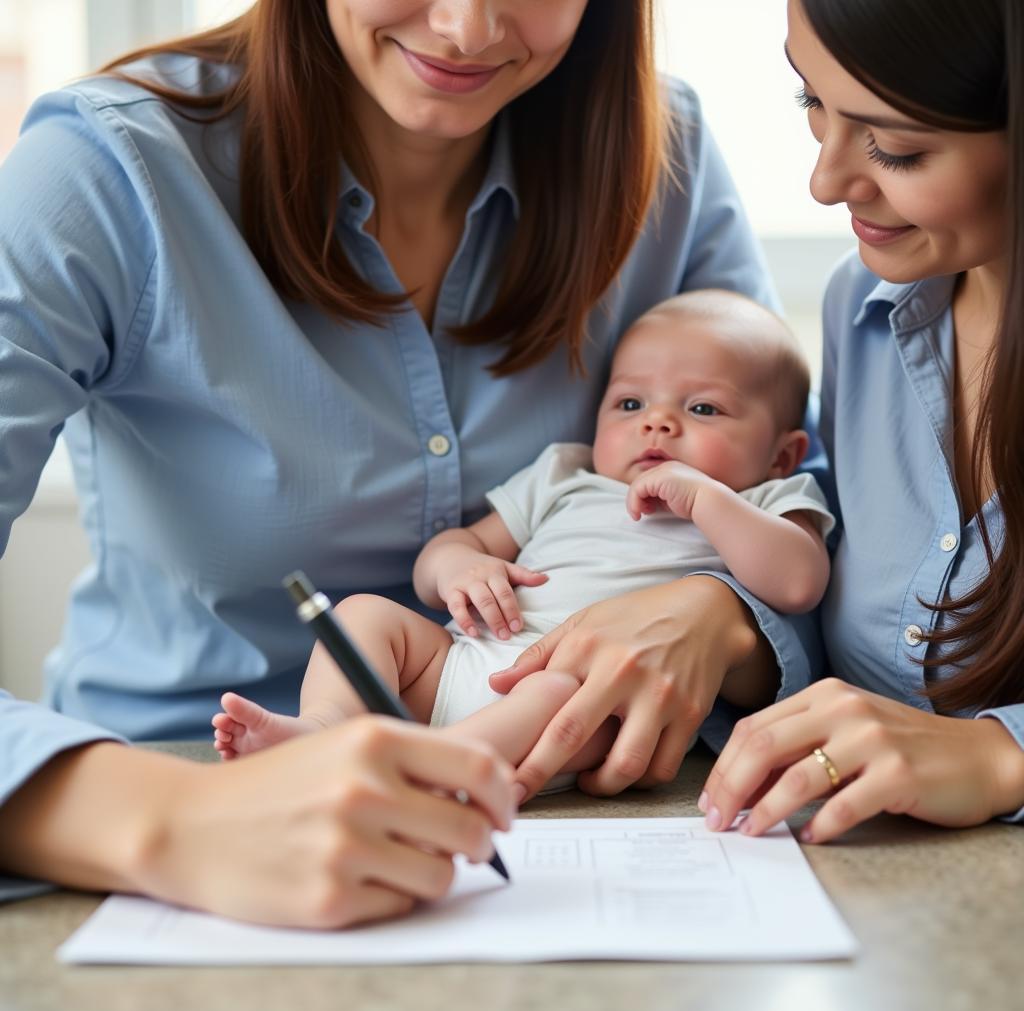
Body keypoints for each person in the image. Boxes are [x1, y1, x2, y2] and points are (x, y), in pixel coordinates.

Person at [0, 1, 789, 927]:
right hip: (180, 793)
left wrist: (725, 616)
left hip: (589, 814)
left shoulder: (667, 158)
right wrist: (174, 819)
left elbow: (815, 521)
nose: (465, 28)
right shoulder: (109, 170)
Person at [213, 290, 833, 788]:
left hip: (590, 700)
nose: (657, 421)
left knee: (561, 689)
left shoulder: (763, 500)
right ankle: (324, 728)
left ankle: (442, 767)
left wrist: (707, 500)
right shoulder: (565, 474)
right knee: (362, 614)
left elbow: (799, 583)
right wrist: (457, 565)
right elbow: (452, 549)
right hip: (459, 664)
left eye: (702, 409)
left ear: (783, 454)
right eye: (630, 402)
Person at [699, 0, 1024, 843]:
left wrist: (998, 756)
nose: (825, 181)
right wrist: (722, 622)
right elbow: (842, 575)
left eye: (899, 149)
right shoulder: (864, 309)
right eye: (809, 100)